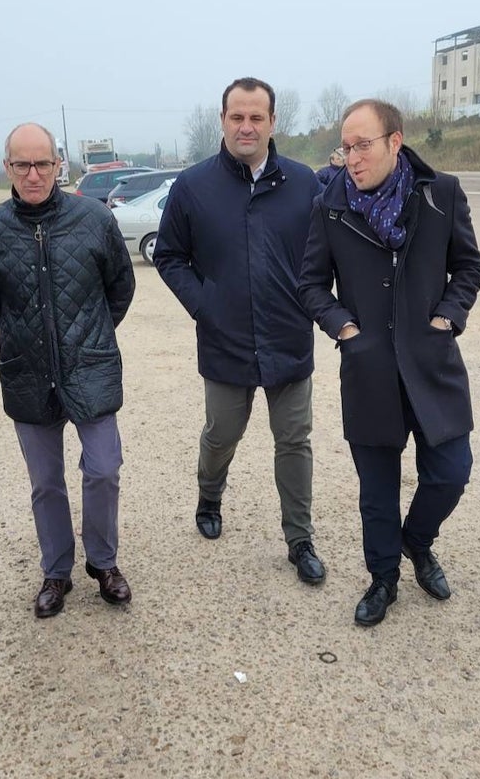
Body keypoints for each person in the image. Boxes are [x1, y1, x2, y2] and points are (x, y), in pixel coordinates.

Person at [299, 99, 480, 626]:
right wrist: (345, 330)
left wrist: (447, 317)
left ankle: (418, 541)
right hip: (370, 370)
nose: (352, 158)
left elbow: (468, 266)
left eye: (364, 145)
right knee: (377, 493)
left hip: (432, 365)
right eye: (347, 146)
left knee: (452, 472)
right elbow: (310, 283)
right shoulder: (330, 206)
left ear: (395, 142)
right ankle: (383, 579)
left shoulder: (440, 194)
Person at [154, 77, 326, 586]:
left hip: (289, 339)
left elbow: (326, 253)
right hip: (225, 342)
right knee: (221, 434)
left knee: (294, 441)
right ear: (223, 121)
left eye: (257, 117)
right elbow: (168, 255)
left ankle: (300, 539)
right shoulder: (193, 186)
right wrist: (204, 302)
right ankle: (210, 495)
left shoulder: (304, 183)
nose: (246, 126)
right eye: (237, 117)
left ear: (273, 122)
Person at [0, 123, 136, 619]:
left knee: (104, 469)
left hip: (91, 367)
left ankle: (103, 562)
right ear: (8, 169)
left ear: (58, 165)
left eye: (42, 163)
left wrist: (88, 336)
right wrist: (30, 338)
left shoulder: (94, 219)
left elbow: (120, 289)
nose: (33, 174)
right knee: (45, 482)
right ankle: (56, 570)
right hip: (28, 371)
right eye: (22, 164)